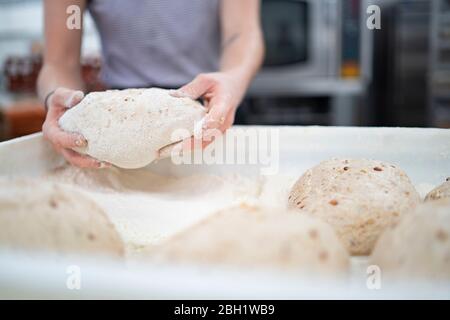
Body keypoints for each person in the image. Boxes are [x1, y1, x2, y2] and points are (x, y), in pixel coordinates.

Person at [38, 0, 264, 168]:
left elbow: (241, 33)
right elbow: (59, 62)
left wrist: (234, 78)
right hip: (113, 123)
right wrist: (56, 101)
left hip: (212, 109)